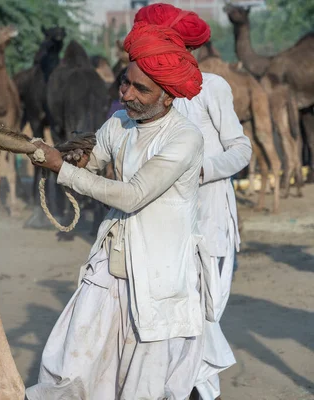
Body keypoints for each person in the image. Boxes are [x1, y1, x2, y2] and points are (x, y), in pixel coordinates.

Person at [25, 22, 208, 400]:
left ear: (169, 95)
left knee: (143, 386)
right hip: (109, 268)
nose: (126, 93)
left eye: (141, 88)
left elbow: (131, 196)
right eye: (126, 83)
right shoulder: (120, 122)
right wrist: (71, 155)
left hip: (157, 277)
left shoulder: (184, 137)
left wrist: (64, 170)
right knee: (71, 367)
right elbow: (95, 160)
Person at [135, 4, 253, 399]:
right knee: (171, 324)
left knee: (204, 320)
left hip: (211, 219)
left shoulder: (212, 87)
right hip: (163, 227)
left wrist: (199, 170)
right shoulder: (141, 94)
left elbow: (241, 149)